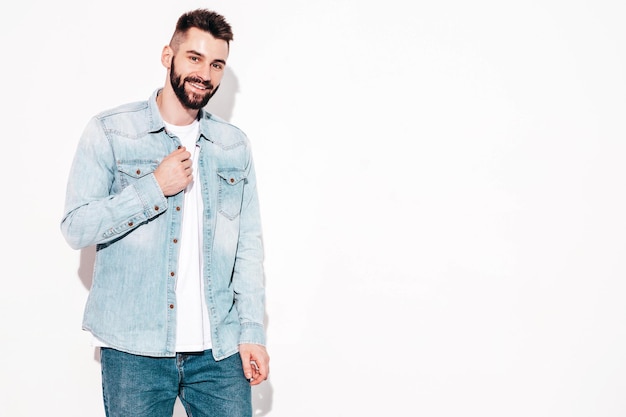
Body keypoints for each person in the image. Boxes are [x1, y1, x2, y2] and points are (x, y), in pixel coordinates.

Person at [60, 8, 269, 417]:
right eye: (194, 58)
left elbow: (248, 248)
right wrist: (152, 187)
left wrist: (252, 333)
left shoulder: (233, 146)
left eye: (216, 64)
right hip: (135, 350)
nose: (204, 74)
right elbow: (75, 226)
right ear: (167, 56)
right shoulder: (111, 132)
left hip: (220, 353)